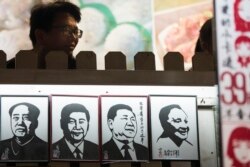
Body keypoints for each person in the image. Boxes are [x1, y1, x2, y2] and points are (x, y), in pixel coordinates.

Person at [7, 1, 82, 69]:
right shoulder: (7, 70)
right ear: (41, 36)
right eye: (67, 30)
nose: (74, 37)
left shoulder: (80, 69)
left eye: (75, 31)